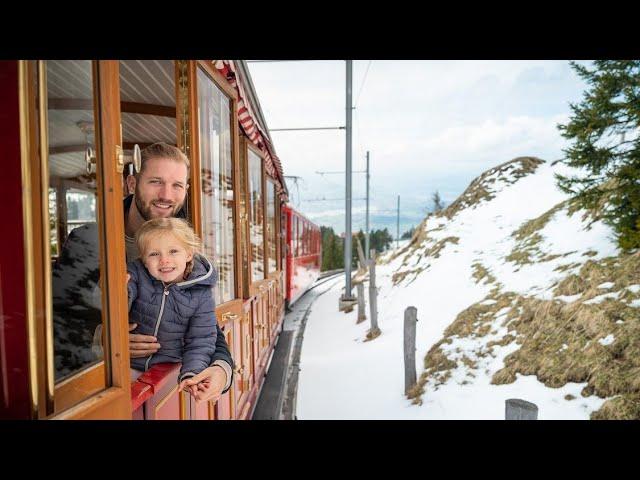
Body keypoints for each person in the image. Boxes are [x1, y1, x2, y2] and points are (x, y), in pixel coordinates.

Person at [124, 142, 233, 403]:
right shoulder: (93, 239)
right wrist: (103, 338)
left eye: (177, 185)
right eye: (155, 182)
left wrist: (221, 370)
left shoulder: (186, 247)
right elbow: (57, 320)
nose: (166, 195)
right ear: (131, 184)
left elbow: (204, 330)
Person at [128, 217, 217, 395]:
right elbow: (118, 300)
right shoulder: (137, 274)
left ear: (189, 254)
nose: (164, 260)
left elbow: (201, 340)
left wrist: (192, 373)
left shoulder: (201, 293)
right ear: (144, 260)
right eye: (154, 254)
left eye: (173, 251)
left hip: (167, 372)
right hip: (128, 365)